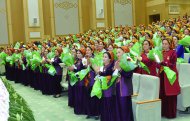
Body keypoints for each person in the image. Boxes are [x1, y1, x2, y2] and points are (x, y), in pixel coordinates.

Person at [159, 38, 180, 118]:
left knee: (170, 94)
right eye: (163, 44)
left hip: (170, 76)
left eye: (166, 44)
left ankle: (170, 114)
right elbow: (160, 64)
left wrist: (164, 63)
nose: (164, 45)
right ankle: (164, 112)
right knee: (163, 93)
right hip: (163, 75)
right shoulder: (162, 52)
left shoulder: (173, 52)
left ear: (169, 44)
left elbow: (172, 64)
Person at [114, 46, 134, 121]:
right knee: (118, 107)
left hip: (125, 88)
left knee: (124, 107)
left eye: (119, 52)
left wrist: (120, 70)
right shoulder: (116, 62)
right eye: (116, 52)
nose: (117, 54)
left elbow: (129, 75)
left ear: (124, 52)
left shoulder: (128, 60)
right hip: (117, 87)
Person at [96, 51, 115, 121]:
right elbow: (102, 74)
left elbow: (109, 77)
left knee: (108, 104)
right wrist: (98, 74)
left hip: (108, 88)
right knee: (103, 103)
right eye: (103, 56)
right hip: (103, 87)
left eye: (105, 57)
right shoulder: (103, 66)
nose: (103, 58)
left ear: (110, 59)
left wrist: (101, 75)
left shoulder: (110, 67)